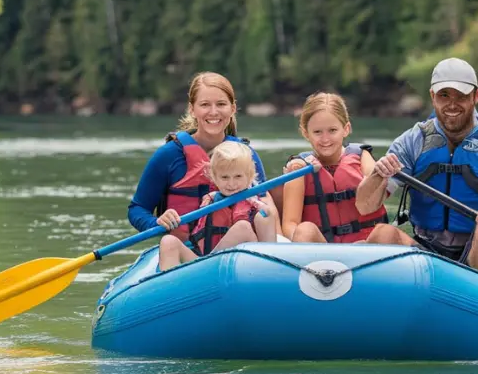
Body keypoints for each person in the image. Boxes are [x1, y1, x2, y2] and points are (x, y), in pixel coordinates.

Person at [355, 57, 478, 280]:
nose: (452, 104)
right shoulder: (413, 141)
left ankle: (477, 298)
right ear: (432, 97)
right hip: (427, 249)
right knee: (382, 234)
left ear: (476, 96)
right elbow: (364, 206)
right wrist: (378, 175)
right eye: (444, 95)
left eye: (461, 96)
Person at [127, 72, 280, 245]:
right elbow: (137, 209)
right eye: (205, 104)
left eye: (221, 104)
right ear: (192, 109)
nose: (213, 112)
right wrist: (156, 223)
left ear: (233, 108)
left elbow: (265, 203)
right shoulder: (169, 155)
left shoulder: (246, 155)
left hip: (240, 250)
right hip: (187, 252)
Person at [280, 92, 387, 242]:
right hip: (322, 251)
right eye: (317, 132)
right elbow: (290, 224)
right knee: (304, 230)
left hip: (365, 247)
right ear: (306, 133)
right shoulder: (299, 169)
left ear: (346, 129)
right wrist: (300, 240)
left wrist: (383, 173)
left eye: (332, 130)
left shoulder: (363, 157)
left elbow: (377, 190)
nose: (325, 139)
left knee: (386, 232)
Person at [158, 141, 277, 270]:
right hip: (201, 263)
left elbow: (269, 254)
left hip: (244, 269)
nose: (231, 184)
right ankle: (170, 285)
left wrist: (267, 215)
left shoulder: (259, 209)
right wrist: (167, 219)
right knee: (168, 241)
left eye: (238, 176)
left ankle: (209, 265)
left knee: (243, 226)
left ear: (249, 176)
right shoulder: (209, 201)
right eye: (225, 177)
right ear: (214, 177)